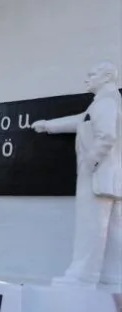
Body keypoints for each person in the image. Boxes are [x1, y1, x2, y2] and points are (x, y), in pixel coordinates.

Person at [32, 61, 122, 287]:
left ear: (108, 76)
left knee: (91, 223)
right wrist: (48, 125)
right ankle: (112, 275)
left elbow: (107, 136)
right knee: (110, 229)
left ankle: (83, 275)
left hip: (97, 174)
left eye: (92, 74)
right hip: (108, 176)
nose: (87, 78)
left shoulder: (107, 102)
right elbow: (81, 121)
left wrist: (90, 163)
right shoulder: (106, 102)